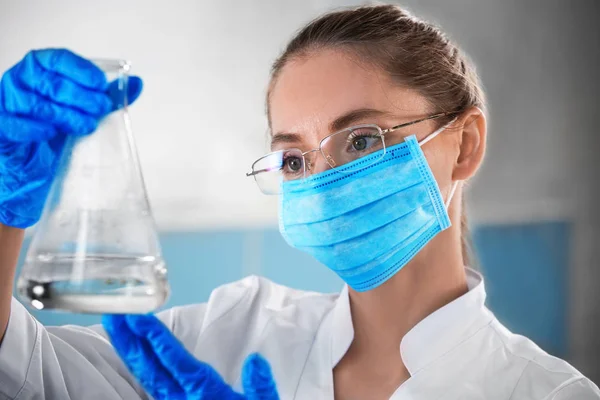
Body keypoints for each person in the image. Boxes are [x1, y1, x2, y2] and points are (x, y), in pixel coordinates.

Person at [0, 4, 598, 399]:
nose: (324, 179)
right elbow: (29, 376)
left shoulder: (549, 393)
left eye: (361, 140)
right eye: (294, 159)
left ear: (463, 145)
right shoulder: (234, 332)